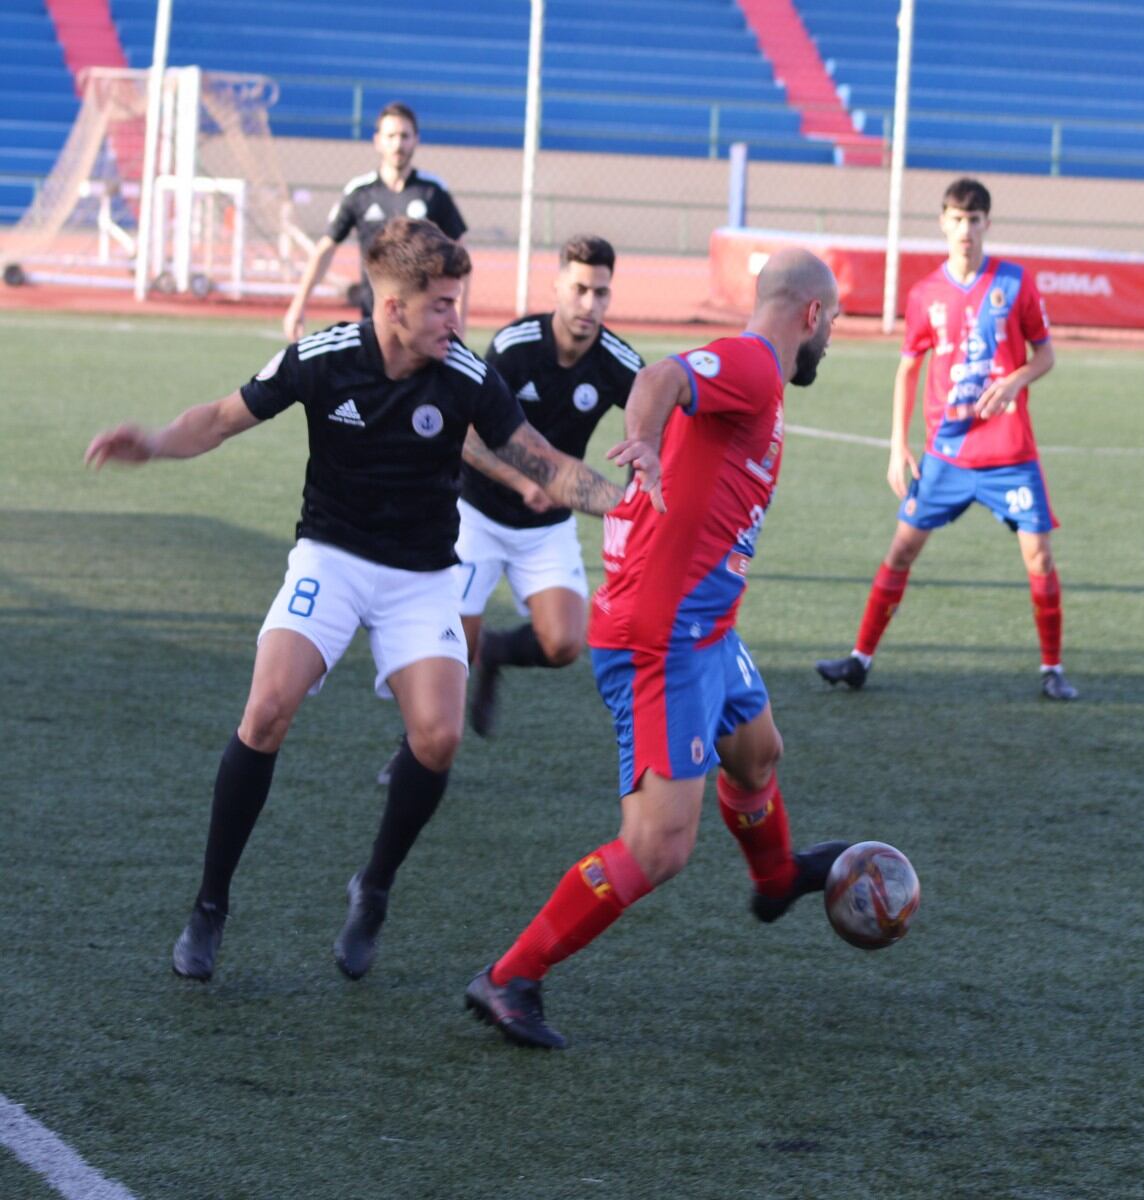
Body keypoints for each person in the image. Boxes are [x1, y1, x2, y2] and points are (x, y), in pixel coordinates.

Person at [84, 218, 639, 984]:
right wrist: (150, 441)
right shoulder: (325, 358)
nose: (457, 319)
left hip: (421, 575)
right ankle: (210, 904)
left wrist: (632, 506)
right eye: (442, 305)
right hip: (333, 558)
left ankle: (372, 888)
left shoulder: (466, 375)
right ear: (392, 308)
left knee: (439, 738)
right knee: (267, 708)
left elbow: (542, 462)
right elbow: (219, 419)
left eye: (458, 302)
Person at [463, 248, 846, 1050]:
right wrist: (641, 440)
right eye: (834, 324)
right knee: (660, 845)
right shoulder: (753, 363)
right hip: (660, 636)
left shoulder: (758, 377)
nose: (831, 340)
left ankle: (774, 880)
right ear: (811, 315)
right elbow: (660, 377)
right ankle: (509, 977)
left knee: (758, 752)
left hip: (706, 625)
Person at [374, 235, 642, 786]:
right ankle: (412, 747)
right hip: (476, 514)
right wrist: (524, 479)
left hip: (548, 525)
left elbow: (652, 430)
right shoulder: (516, 346)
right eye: (580, 290)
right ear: (557, 287)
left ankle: (498, 650)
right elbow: (465, 437)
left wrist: (642, 474)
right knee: (449, 652)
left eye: (601, 294)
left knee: (565, 643)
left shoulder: (619, 362)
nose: (589, 305)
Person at [816, 177, 1078, 702]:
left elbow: (1045, 354)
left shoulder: (1015, 282)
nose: (965, 230)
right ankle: (860, 659)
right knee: (901, 551)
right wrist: (898, 444)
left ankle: (1052, 668)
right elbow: (907, 370)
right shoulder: (925, 294)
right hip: (946, 454)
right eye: (957, 219)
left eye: (975, 220)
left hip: (1009, 454)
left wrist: (1015, 379)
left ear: (987, 224)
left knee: (1040, 560)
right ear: (943, 222)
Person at [281, 102, 469, 341]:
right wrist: (298, 304)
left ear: (416, 140)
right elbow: (326, 249)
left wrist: (458, 319)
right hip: (374, 322)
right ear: (378, 140)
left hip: (424, 326)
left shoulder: (433, 191)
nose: (398, 144)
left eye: (404, 136)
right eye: (391, 136)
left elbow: (460, 256)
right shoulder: (360, 192)